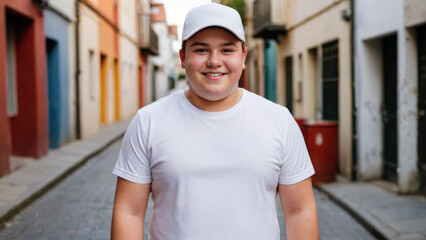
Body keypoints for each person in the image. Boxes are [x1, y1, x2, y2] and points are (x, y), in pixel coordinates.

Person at [111, 3, 318, 240]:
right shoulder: (148, 122)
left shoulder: (279, 120)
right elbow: (129, 211)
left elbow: (299, 211)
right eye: (201, 50)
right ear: (182, 57)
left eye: (227, 50)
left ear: (243, 57)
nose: (214, 61)